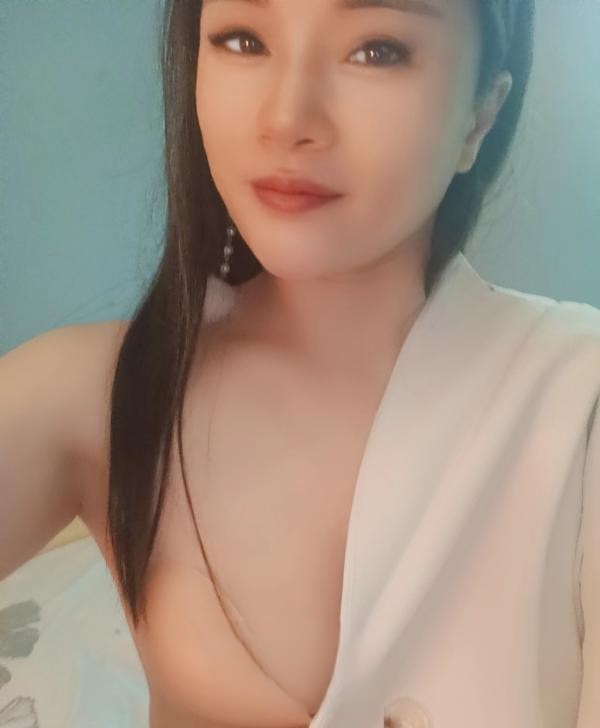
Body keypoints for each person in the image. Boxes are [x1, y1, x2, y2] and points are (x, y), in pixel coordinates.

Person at [1, 0, 599, 726]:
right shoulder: (96, 399)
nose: (286, 118)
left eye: (377, 49)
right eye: (242, 39)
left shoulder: (576, 403)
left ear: (480, 115)